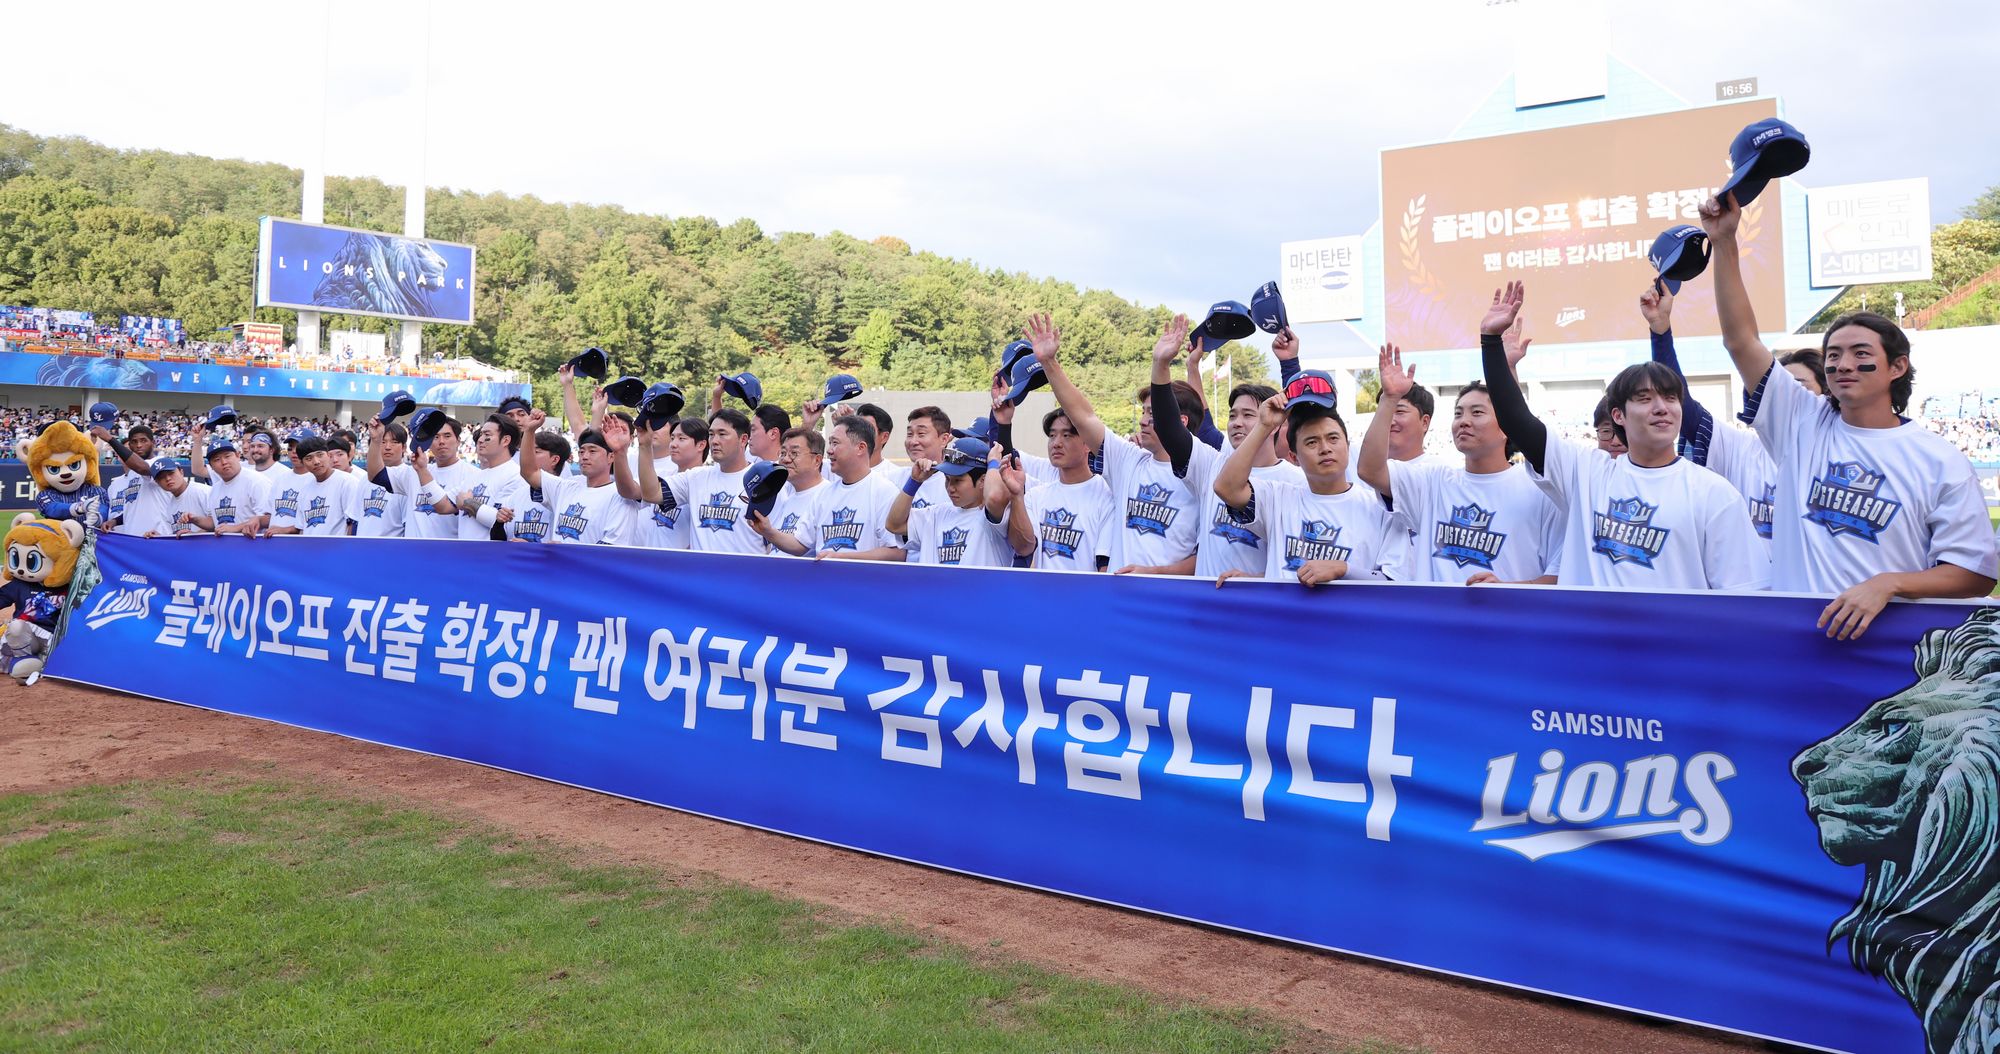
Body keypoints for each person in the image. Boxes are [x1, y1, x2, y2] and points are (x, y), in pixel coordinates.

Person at [1701, 192, 1996, 634]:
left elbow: (1975, 573)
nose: (1843, 364)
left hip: (1886, 658)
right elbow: (1741, 340)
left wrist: (1889, 584)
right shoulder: (1802, 422)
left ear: (1897, 367)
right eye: (1833, 354)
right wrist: (1724, 243)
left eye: (1861, 353)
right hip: (1794, 642)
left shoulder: (1939, 460)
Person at [1479, 280, 1764, 591]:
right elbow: (1518, 422)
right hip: (1590, 640)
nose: (1661, 408)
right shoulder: (1587, 475)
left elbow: (1744, 596)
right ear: (1618, 416)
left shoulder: (1715, 493)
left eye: (1670, 398)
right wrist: (1490, 343)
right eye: (1644, 399)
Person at [1358, 344, 1563, 585]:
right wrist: (1389, 400)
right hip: (1437, 621)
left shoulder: (1540, 491)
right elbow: (1369, 470)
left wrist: (1507, 590)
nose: (1463, 421)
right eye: (1458, 413)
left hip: (1508, 620)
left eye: (1477, 413)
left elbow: (1559, 576)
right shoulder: (1433, 482)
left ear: (1508, 425)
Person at [1030, 312, 1200, 575]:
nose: (1143, 421)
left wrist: (1155, 573)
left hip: (1171, 603)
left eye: (1153, 415)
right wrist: (1049, 363)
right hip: (1120, 602)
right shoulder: (1129, 462)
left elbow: (1207, 556)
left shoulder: (1202, 473)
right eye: (1143, 412)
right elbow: (1084, 416)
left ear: (1181, 421)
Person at [1145, 317, 1306, 583]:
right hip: (1208, 606)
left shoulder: (1296, 482)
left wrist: (1256, 578)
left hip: (1263, 609)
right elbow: (1169, 429)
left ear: (1274, 421)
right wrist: (1161, 365)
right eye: (1232, 416)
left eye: (1248, 415)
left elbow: (1299, 559)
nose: (1237, 423)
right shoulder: (1211, 464)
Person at [1212, 391, 1392, 586]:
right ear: (1294, 457)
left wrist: (1343, 569)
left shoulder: (1381, 507)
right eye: (1312, 442)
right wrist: (1264, 426)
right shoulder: (1278, 498)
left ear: (1347, 446)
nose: (1325, 448)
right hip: (1281, 616)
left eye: (1333, 438)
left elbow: (1396, 583)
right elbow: (1226, 487)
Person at [756, 416, 905, 560]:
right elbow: (800, 545)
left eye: (835, 443)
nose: (829, 450)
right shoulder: (824, 494)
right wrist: (768, 531)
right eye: (830, 443)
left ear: (860, 448)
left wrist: (843, 558)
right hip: (824, 584)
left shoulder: (884, 491)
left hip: (863, 584)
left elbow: (897, 553)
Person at [887, 436, 1029, 568]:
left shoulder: (993, 516)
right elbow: (894, 524)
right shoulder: (936, 514)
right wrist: (914, 481)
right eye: (947, 479)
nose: (950, 488)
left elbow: (995, 497)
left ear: (983, 481)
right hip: (936, 595)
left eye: (958, 480)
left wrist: (993, 463)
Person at [1013, 408, 1116, 572]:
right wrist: (1016, 496)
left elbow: (1104, 567)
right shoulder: (1036, 496)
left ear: (1088, 443)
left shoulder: (1107, 496)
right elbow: (1023, 548)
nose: (1056, 443)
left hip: (1085, 595)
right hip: (1042, 595)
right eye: (1052, 436)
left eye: (1066, 435)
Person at [515, 409, 633, 544]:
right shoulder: (566, 487)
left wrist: (566, 552)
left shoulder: (621, 496)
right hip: (557, 565)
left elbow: (611, 549)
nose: (585, 456)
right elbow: (529, 472)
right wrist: (529, 432)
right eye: (582, 451)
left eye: (592, 451)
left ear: (611, 456)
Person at [660, 408, 770, 555]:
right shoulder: (696, 477)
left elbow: (777, 542)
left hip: (746, 575)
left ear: (743, 439)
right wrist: (644, 444)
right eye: (711, 434)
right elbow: (650, 494)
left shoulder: (764, 480)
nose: (715, 441)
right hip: (701, 575)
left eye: (722, 434)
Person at [372, 411, 475, 541]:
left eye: (447, 436)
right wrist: (376, 440)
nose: (441, 441)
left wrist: (422, 470)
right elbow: (376, 475)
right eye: (436, 437)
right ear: (429, 442)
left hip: (449, 554)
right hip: (414, 555)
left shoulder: (472, 475)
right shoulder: (413, 472)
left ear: (458, 441)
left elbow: (445, 507)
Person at [431, 414, 528, 542]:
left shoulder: (516, 475)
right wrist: (421, 470)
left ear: (505, 440)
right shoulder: (476, 476)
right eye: (481, 434)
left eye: (487, 435)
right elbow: (442, 506)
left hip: (490, 557)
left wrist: (469, 503)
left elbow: (505, 522)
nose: (480, 440)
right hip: (466, 555)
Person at [185, 427, 272, 538]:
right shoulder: (215, 489)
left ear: (237, 456)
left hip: (253, 547)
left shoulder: (257, 481)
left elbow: (268, 519)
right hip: (226, 549)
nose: (224, 462)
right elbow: (214, 523)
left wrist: (235, 528)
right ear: (211, 466)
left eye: (227, 456)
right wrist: (195, 519)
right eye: (217, 459)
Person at [264, 437, 354, 537]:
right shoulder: (305, 489)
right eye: (309, 458)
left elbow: (352, 523)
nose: (316, 461)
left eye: (320, 455)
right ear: (303, 463)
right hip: (310, 549)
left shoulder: (346, 482)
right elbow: (301, 527)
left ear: (328, 455)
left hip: (337, 549)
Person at [766, 427, 833, 557]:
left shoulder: (828, 496)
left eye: (794, 453)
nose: (785, 460)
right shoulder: (787, 499)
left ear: (817, 460)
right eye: (783, 453)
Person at [346, 421, 410, 539]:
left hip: (391, 551)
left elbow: (408, 526)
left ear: (404, 447)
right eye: (382, 442)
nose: (387, 447)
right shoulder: (365, 479)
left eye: (394, 442)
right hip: (362, 549)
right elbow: (355, 520)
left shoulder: (408, 477)